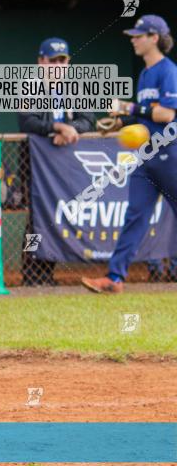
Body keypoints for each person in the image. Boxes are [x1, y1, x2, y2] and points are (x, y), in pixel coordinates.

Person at [82, 15, 177, 294]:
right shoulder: (146, 73)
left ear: (154, 38)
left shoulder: (167, 71)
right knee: (135, 215)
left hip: (169, 155)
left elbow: (167, 114)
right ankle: (114, 278)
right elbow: (148, 119)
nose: (133, 40)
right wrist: (121, 122)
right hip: (146, 158)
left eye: (139, 35)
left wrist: (129, 109)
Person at [17, 38, 96, 286]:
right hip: (35, 163)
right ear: (41, 62)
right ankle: (32, 272)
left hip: (65, 164)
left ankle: (48, 272)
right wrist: (55, 127)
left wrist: (70, 129)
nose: (58, 66)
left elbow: (88, 120)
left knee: (57, 217)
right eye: (53, 61)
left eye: (63, 61)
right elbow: (27, 122)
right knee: (36, 221)